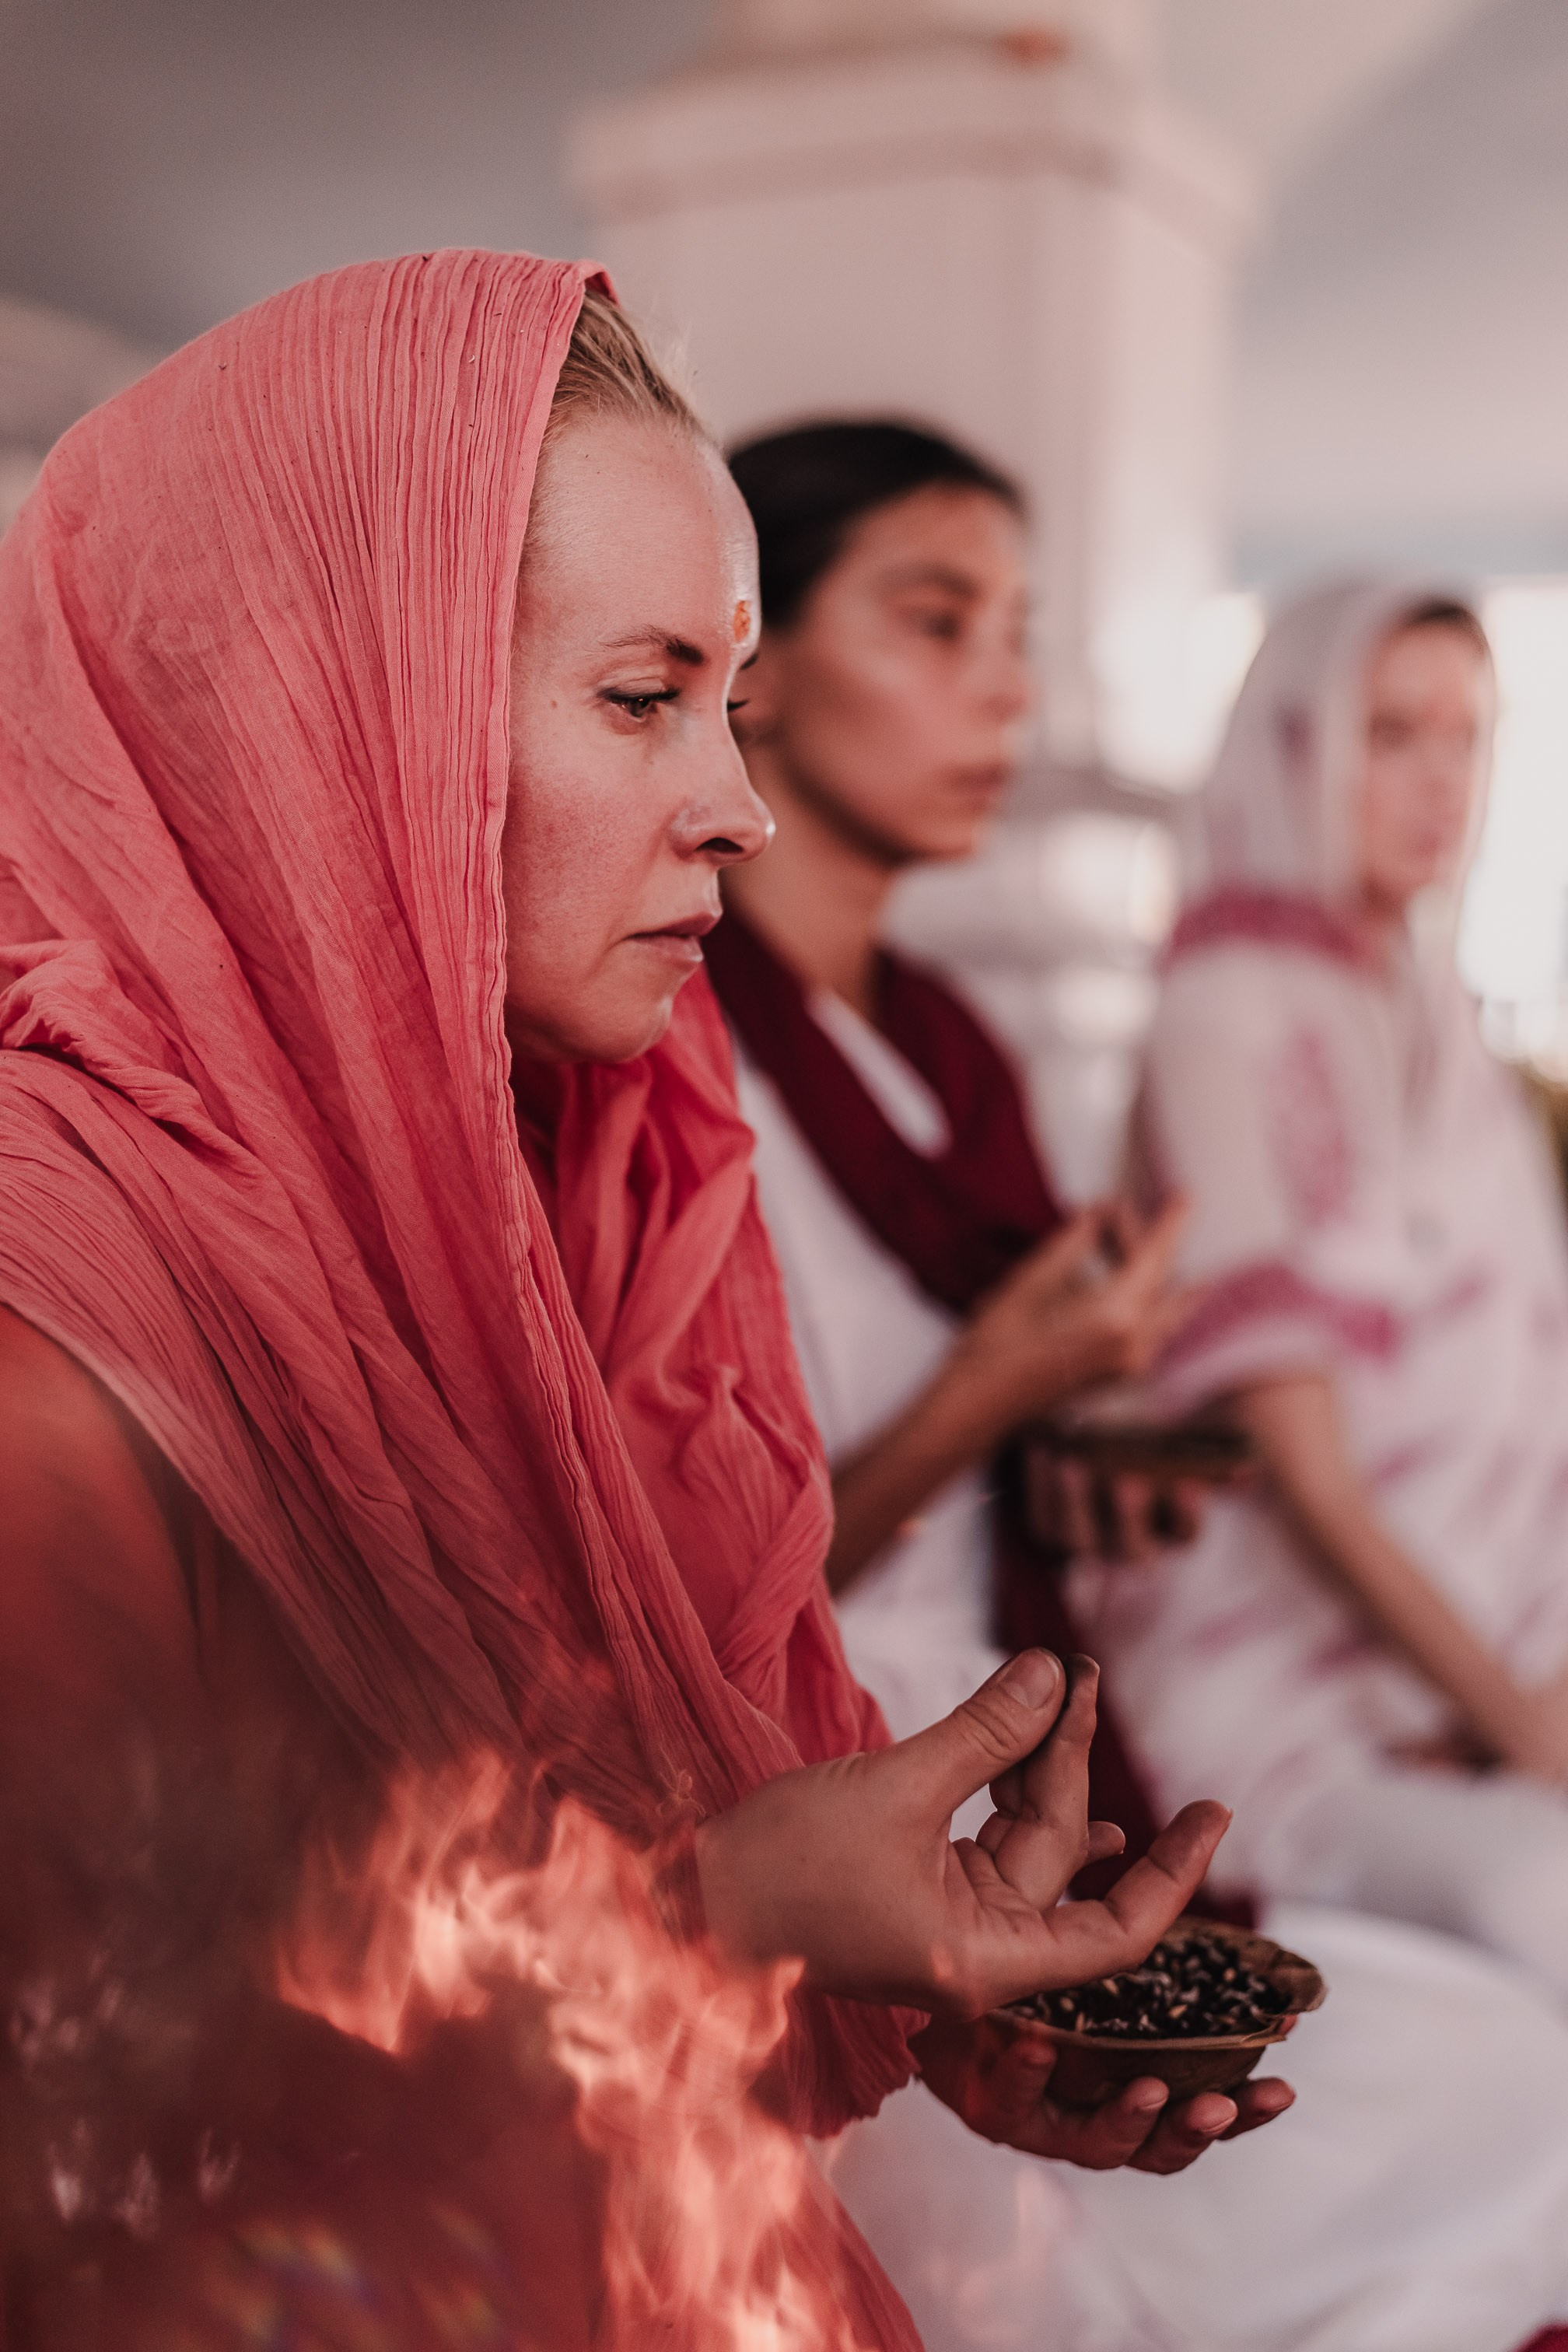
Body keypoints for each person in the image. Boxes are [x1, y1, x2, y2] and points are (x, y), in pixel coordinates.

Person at [0, 253, 1262, 2344]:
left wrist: (930, 1985)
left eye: (734, 708)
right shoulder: (50, 1313)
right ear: (340, 721)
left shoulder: (579, 1173)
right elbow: (78, 2149)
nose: (738, 809)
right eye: (636, 696)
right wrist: (733, 1916)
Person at [713, 421, 1568, 2352]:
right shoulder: (676, 1056)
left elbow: (1033, 1451)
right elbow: (673, 1578)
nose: (1010, 687)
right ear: (740, 658)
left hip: (1033, 1779)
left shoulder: (948, 1051)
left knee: (1505, 2081)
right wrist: (990, 1401)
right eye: (940, 623)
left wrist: (1067, 1454)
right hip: (817, 1820)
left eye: (1022, 629)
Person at [1080, 578, 1568, 1995]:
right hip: (1292, 1704)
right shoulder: (1228, 1011)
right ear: (1295, 744)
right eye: (1391, 731)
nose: (1437, 781)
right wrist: (1519, 1727)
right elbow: (1307, 1472)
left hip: (1486, 1669)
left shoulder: (1427, 1013)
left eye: (1464, 737)